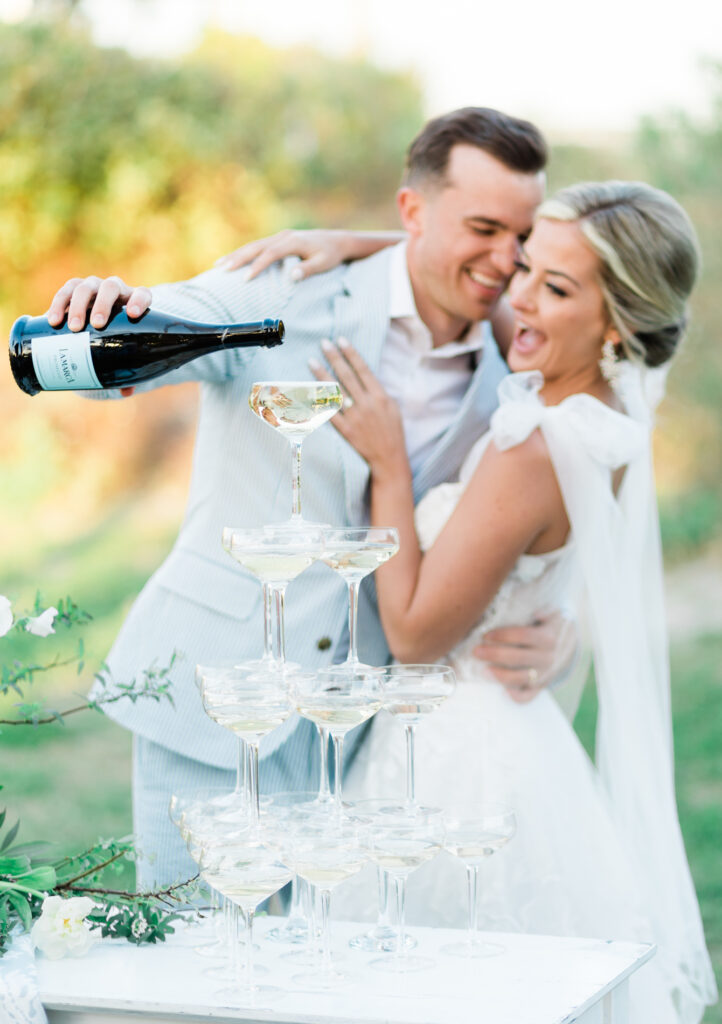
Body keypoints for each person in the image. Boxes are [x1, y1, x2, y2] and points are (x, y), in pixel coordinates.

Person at [46, 107, 578, 888]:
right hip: (216, 702)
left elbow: (528, 540)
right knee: (195, 973)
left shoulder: (516, 373)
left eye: (523, 239)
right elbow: (147, 341)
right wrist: (95, 312)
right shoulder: (286, 289)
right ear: (411, 212)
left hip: (360, 741)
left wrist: (562, 635)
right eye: (485, 228)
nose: (507, 260)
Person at [280, 181, 715, 1023]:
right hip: (525, 746)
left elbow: (411, 634)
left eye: (556, 288)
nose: (517, 298)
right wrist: (360, 240)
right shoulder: (614, 410)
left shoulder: (536, 445)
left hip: (455, 763)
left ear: (617, 320)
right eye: (526, 269)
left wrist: (391, 466)